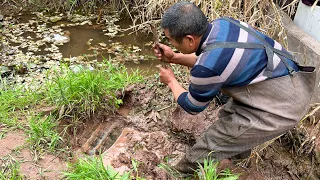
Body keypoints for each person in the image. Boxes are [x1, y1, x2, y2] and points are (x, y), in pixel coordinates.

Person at [153, 1, 316, 173]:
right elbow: (215, 62)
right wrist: (174, 57)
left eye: (171, 40)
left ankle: (178, 173)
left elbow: (192, 106)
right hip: (291, 81)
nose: (171, 44)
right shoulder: (223, 23)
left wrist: (171, 81)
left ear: (189, 40)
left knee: (211, 143)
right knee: (228, 115)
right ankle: (232, 156)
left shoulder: (207, 67)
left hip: (284, 106)